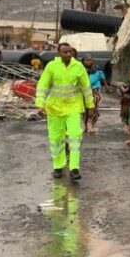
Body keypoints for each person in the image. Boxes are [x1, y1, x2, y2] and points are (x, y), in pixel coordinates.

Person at [35, 42, 94, 181]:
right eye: (65, 52)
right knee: (56, 139)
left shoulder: (78, 67)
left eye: (70, 52)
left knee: (75, 136)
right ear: (59, 53)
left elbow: (86, 87)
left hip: (73, 106)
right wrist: (40, 104)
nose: (68, 54)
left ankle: (74, 168)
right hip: (54, 108)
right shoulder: (51, 66)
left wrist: (90, 105)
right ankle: (58, 167)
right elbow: (43, 85)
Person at [83, 56, 106, 134]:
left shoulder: (97, 70)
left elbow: (103, 79)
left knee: (93, 110)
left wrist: (107, 88)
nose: (88, 62)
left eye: (90, 60)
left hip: (95, 92)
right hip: (84, 92)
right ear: (83, 61)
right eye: (86, 60)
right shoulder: (81, 70)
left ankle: (91, 125)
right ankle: (85, 126)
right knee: (85, 111)